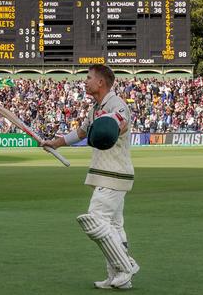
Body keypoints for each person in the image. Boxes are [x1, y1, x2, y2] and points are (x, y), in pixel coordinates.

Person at [42, 64, 139, 289]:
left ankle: (126, 266)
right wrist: (54, 143)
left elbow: (118, 123)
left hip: (113, 173)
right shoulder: (96, 107)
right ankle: (117, 277)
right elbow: (82, 131)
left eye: (88, 78)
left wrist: (112, 125)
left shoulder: (116, 104)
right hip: (107, 173)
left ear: (100, 82)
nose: (84, 82)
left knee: (94, 220)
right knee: (114, 225)